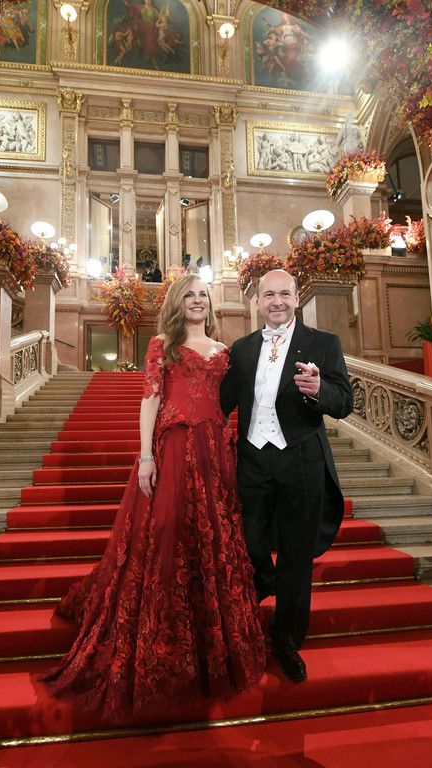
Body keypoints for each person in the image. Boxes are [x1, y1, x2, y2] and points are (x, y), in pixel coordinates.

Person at [44, 274, 265, 719]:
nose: (198, 301)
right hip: (174, 445)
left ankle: (209, 641)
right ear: (177, 303)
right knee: (166, 534)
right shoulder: (164, 344)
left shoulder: (225, 351)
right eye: (190, 295)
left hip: (215, 451)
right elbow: (150, 399)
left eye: (203, 295)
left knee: (211, 539)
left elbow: (236, 403)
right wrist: (146, 454)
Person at [220, 269, 352, 683]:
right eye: (269, 294)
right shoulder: (241, 349)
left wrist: (319, 391)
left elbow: (344, 402)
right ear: (258, 301)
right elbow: (221, 400)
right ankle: (265, 577)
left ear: (296, 298)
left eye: (284, 294)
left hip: (301, 458)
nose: (277, 301)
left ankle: (287, 639)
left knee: (297, 554)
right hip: (252, 459)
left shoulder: (324, 343)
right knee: (249, 539)